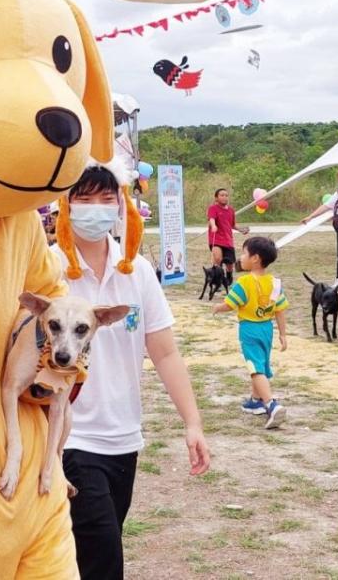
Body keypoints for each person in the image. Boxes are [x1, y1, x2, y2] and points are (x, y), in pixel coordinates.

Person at [52, 161, 211, 580]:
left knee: (91, 550)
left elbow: (164, 353)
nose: (96, 209)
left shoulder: (135, 269)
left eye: (107, 199)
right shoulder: (48, 268)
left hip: (124, 438)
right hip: (69, 437)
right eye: (83, 199)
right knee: (102, 551)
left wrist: (192, 422)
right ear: (65, 205)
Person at [213, 237, 289, 428]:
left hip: (249, 329)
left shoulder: (244, 282)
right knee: (261, 363)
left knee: (254, 368)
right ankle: (255, 401)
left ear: (255, 258)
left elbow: (231, 304)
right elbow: (280, 310)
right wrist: (283, 334)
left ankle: (271, 404)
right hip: (266, 329)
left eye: (244, 253)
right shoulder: (274, 283)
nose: (241, 257)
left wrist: (217, 307)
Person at [207, 188, 249, 287]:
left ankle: (229, 277)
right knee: (217, 259)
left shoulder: (231, 210)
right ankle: (217, 281)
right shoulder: (213, 208)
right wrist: (213, 225)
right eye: (222, 195)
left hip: (228, 240)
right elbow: (211, 219)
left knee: (230, 264)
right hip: (216, 239)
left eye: (226, 195)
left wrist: (241, 230)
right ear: (216, 198)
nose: (224, 197)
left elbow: (232, 224)